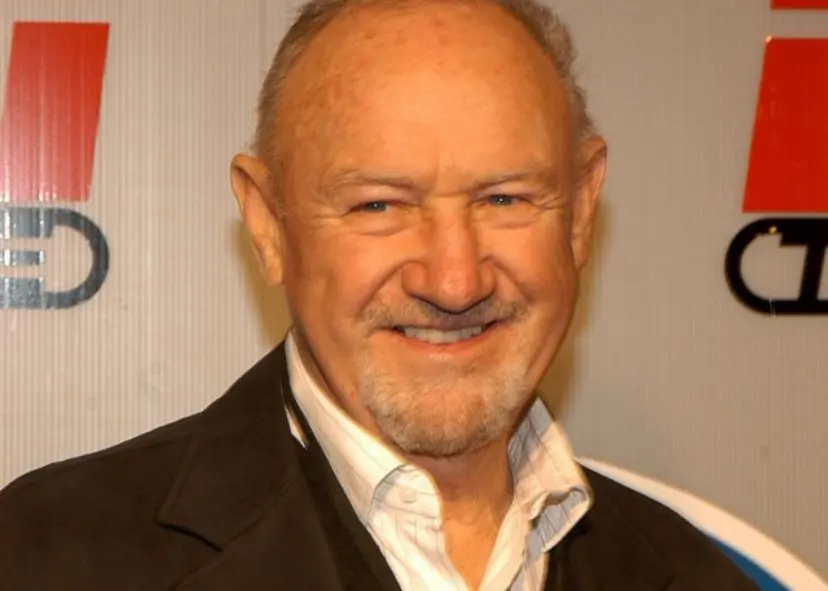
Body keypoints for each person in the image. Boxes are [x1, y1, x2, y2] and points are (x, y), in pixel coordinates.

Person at [0, 1, 758, 589]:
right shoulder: (46, 557)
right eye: (378, 205)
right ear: (268, 224)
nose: (454, 281)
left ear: (582, 211)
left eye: (505, 198)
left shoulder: (696, 576)